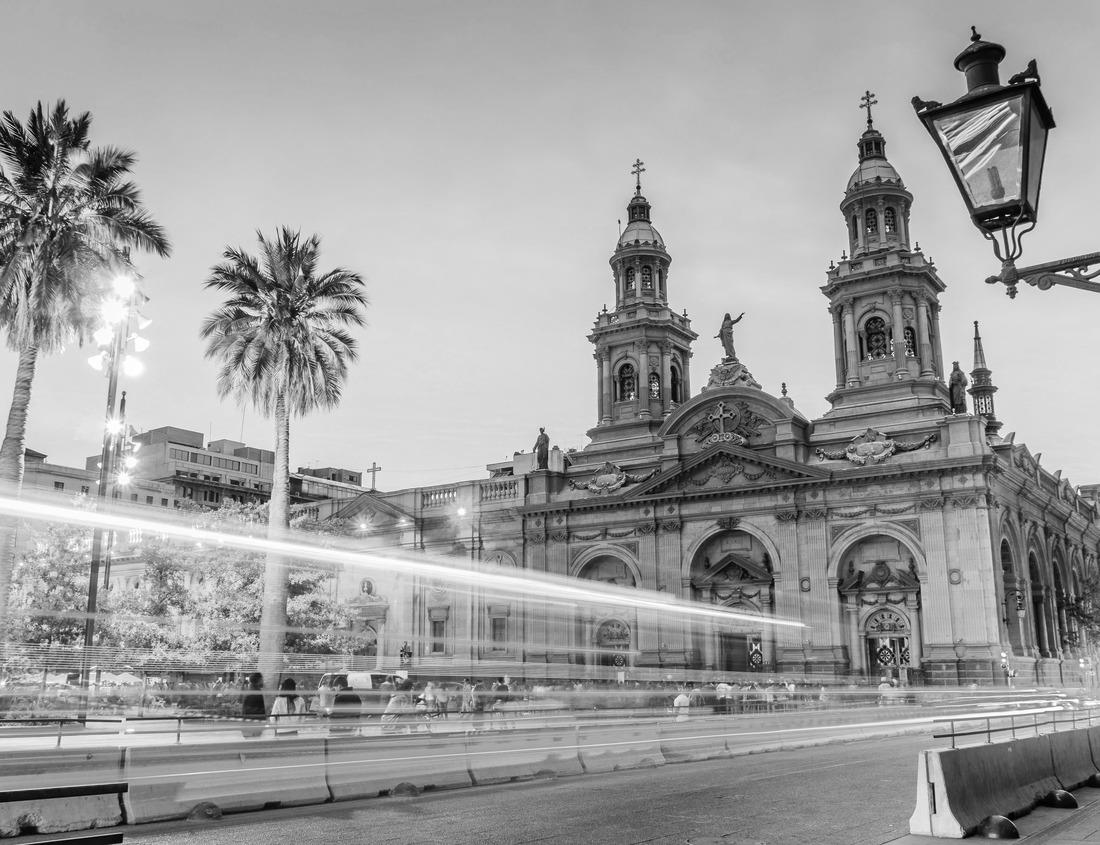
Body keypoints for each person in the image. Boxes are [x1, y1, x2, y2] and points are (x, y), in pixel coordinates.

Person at [241, 672, 266, 737]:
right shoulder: (254, 693)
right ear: (258, 681)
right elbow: (249, 710)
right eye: (262, 679)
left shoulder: (254, 691)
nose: (263, 681)